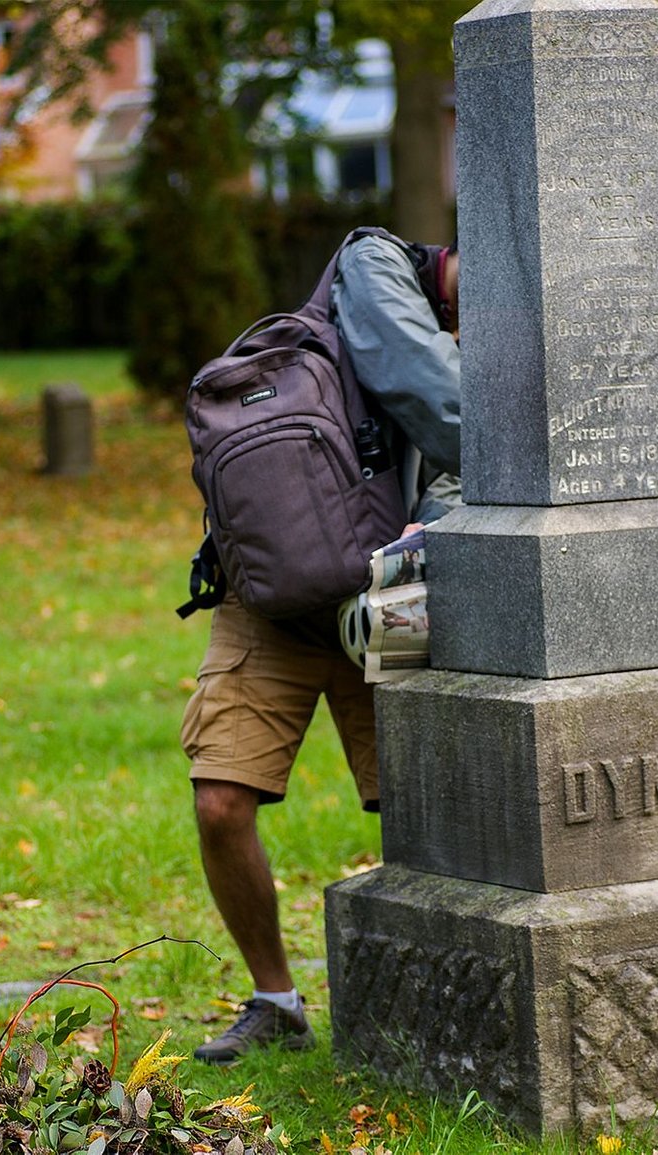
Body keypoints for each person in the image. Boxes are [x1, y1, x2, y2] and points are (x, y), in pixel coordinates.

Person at [180, 229, 461, 1065]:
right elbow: (451, 416)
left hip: (385, 594)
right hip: (268, 598)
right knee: (220, 800)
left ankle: (439, 992)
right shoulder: (375, 269)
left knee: (420, 812)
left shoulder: (462, 324)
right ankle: (276, 1000)